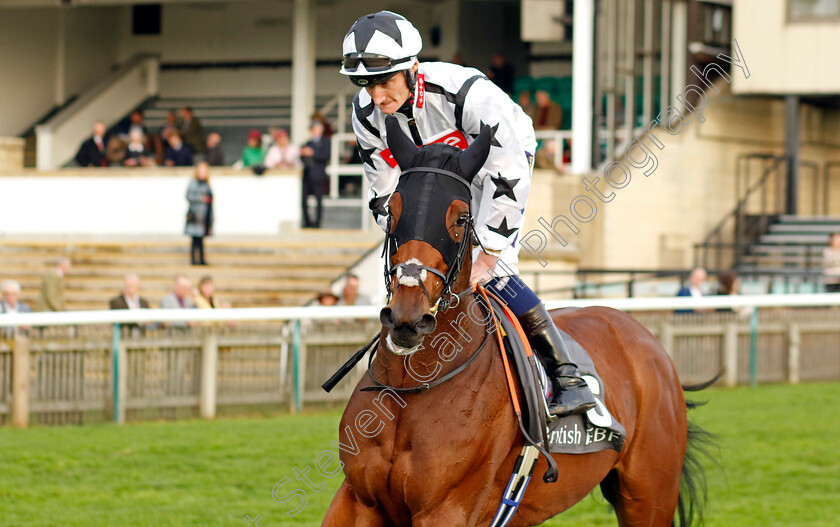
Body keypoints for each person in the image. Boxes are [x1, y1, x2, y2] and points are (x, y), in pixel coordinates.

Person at [340, 11, 595, 417]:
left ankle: (566, 376)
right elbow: (383, 185)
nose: (377, 97)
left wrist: (490, 248)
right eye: (366, 85)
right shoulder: (366, 113)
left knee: (492, 274)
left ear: (412, 69)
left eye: (385, 82)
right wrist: (404, 243)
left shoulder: (467, 94)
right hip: (429, 181)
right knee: (412, 268)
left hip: (495, 167)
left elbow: (506, 169)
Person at [300, 120, 330, 228]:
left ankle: (317, 223)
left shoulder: (326, 142)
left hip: (319, 176)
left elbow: (325, 156)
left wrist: (312, 153)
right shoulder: (307, 143)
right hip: (307, 176)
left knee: (319, 201)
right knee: (303, 200)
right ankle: (307, 222)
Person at [185, 162, 213, 265]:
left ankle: (201, 259)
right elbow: (189, 196)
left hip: (204, 215)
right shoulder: (193, 183)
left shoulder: (206, 183)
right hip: (195, 215)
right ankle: (194, 260)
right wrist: (201, 199)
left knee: (201, 239)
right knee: (194, 239)